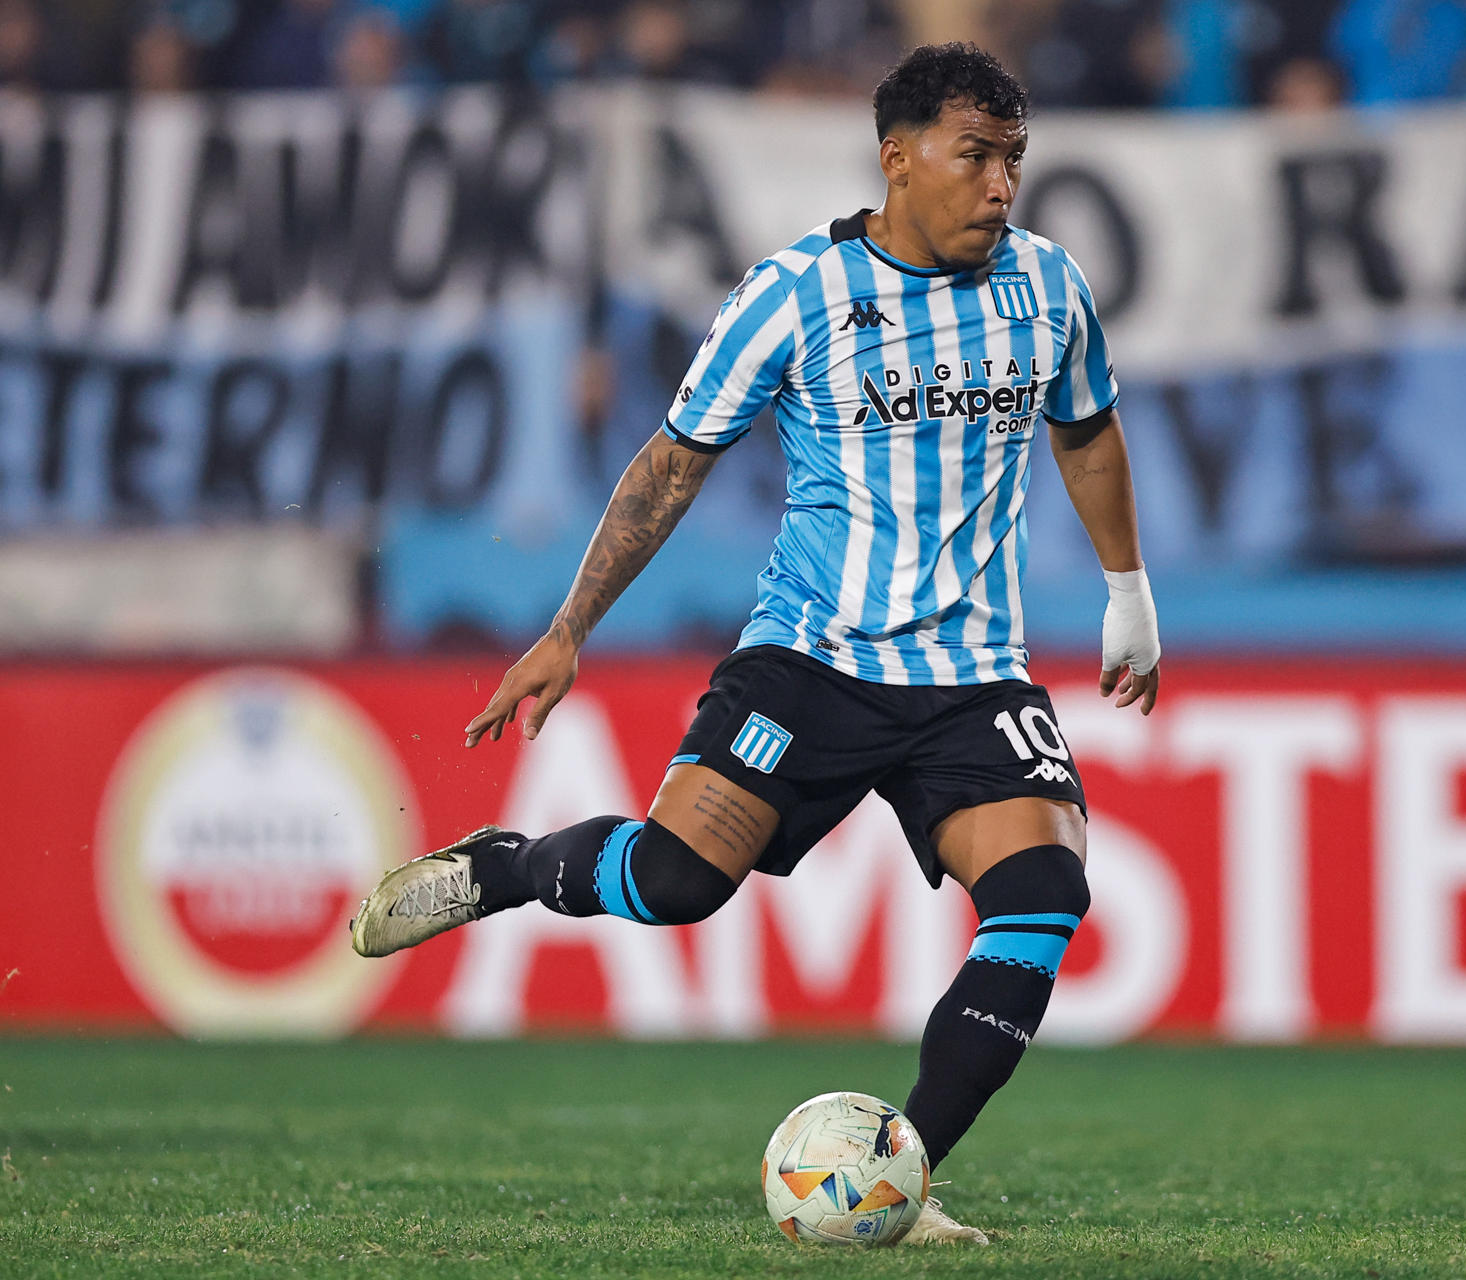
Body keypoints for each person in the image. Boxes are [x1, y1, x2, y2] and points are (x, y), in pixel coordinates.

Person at [348, 41, 1162, 1246]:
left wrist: (1128, 590)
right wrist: (568, 628)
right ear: (899, 157)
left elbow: (1087, 431)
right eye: (977, 156)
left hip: (972, 674)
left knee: (1044, 892)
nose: (1003, 185)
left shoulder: (1048, 286)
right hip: (811, 659)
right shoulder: (795, 295)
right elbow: (673, 464)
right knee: (678, 882)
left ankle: (906, 1175)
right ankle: (506, 867)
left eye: (1016, 160)